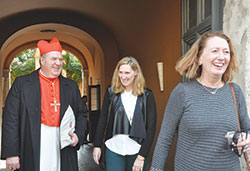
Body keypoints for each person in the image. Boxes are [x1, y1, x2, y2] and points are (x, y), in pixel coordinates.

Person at [150, 31, 250, 171]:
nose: (221, 57)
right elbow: (165, 139)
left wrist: (245, 140)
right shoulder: (182, 92)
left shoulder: (235, 92)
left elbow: (247, 129)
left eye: (226, 52)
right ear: (199, 58)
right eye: (214, 51)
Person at [1, 37, 88, 171]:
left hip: (63, 143)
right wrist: (12, 153)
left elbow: (82, 113)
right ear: (42, 60)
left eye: (60, 59)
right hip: (32, 140)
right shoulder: (22, 84)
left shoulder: (70, 86)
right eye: (54, 59)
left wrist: (78, 135)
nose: (58, 63)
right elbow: (10, 119)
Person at [93, 56, 157, 171]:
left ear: (136, 72)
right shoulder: (111, 92)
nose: (123, 76)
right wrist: (97, 145)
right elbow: (103, 119)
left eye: (127, 73)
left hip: (137, 150)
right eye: (120, 72)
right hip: (114, 148)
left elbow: (151, 128)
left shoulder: (147, 96)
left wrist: (141, 156)